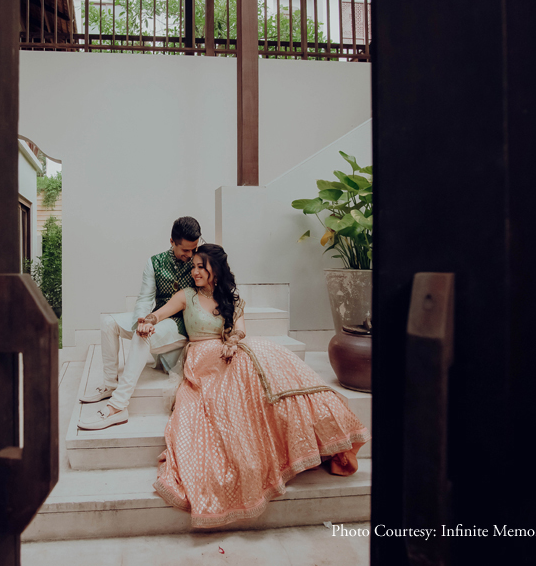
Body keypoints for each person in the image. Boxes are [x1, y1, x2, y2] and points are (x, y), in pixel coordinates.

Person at [142, 243, 370, 528]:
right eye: (194, 266)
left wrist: (232, 342)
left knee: (267, 361)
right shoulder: (186, 296)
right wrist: (148, 321)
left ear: (216, 271)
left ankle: (313, 432)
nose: (195, 271)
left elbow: (240, 330)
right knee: (230, 392)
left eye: (202, 266)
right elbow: (159, 313)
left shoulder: (231, 299)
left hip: (231, 352)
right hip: (202, 360)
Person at [77, 217, 201, 431]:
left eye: (194, 249)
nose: (190, 255)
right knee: (108, 322)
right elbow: (144, 299)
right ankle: (110, 384)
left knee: (144, 335)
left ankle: (118, 406)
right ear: (172, 241)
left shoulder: (200, 261)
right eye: (185, 250)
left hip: (181, 324)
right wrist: (142, 321)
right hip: (156, 317)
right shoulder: (155, 262)